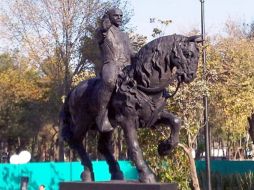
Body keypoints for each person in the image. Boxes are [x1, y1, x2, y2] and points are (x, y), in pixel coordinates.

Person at [95, 8, 134, 132]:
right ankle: (101, 116)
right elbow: (100, 36)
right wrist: (103, 28)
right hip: (111, 64)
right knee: (110, 80)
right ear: (110, 17)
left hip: (126, 66)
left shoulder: (125, 35)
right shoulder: (103, 31)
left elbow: (132, 53)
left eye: (121, 16)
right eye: (116, 15)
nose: (119, 18)